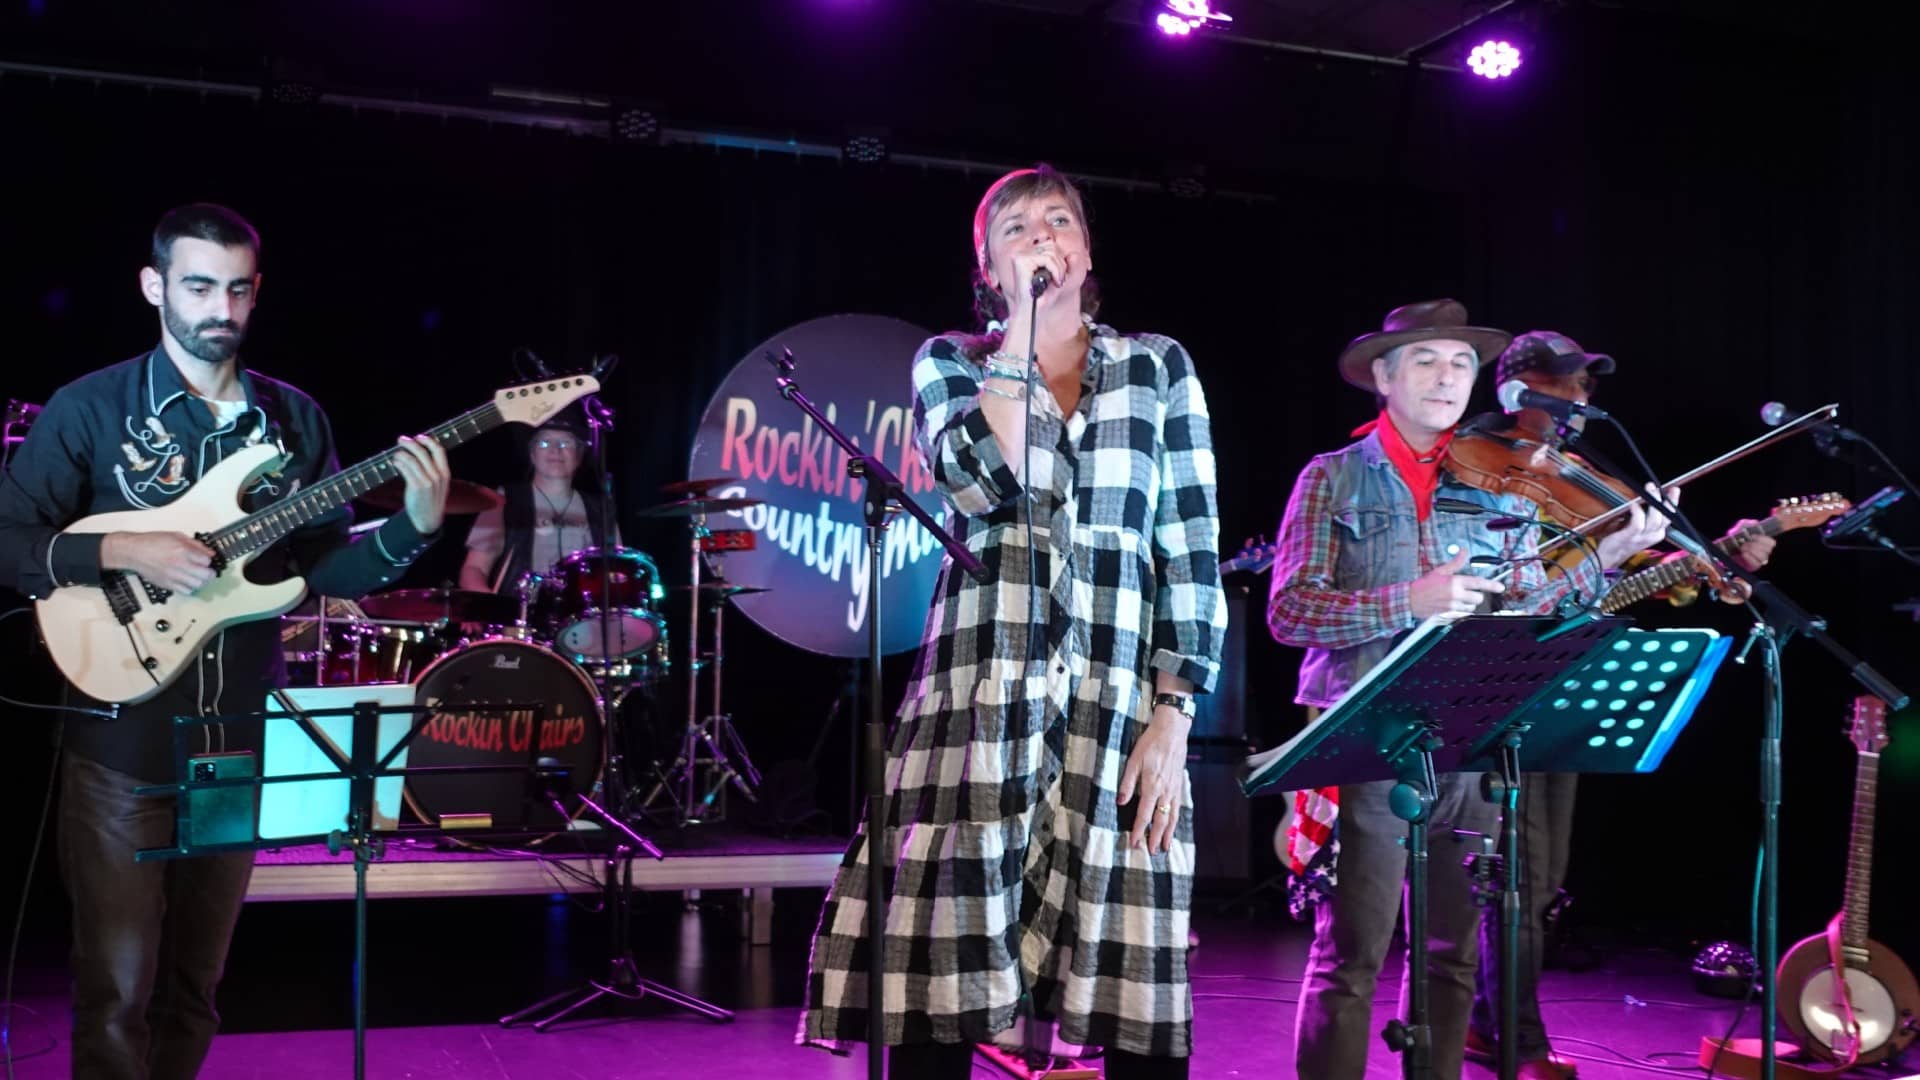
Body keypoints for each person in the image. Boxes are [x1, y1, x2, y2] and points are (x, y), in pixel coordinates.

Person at [0, 203, 450, 1078]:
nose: (221, 310)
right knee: (115, 994)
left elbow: (326, 569)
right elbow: (7, 537)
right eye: (200, 286)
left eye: (238, 290)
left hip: (235, 743)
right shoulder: (89, 408)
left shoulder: (293, 419)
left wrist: (413, 528)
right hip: (118, 739)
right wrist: (119, 548)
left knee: (196, 990)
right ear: (153, 286)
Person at [798, 165, 1226, 1079]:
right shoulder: (950, 360)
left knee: (1129, 968)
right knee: (941, 970)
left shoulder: (1159, 366)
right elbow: (982, 482)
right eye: (1017, 229)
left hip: (1116, 700)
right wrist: (1020, 339)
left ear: (1086, 248)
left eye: (1058, 220)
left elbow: (1189, 545)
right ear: (988, 267)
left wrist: (1175, 712)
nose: (1041, 237)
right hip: (980, 691)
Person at [1267, 300, 1673, 1080]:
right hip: (1366, 741)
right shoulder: (1332, 476)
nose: (1448, 377)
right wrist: (1405, 602)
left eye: (1460, 363)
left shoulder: (1503, 482)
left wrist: (1613, 550)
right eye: (1426, 360)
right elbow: (1289, 611)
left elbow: (1536, 610)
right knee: (1350, 957)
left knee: (1450, 961)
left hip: (1469, 740)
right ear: (1383, 377)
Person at [1464, 330, 1775, 1078]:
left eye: (1585, 387)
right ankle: (1506, 1033)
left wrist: (1716, 560)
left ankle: (1494, 1024)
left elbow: (1633, 579)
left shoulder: (1583, 479)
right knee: (1506, 873)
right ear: (1515, 388)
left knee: (1537, 878)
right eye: (1562, 384)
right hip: (1487, 682)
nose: (1578, 399)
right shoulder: (1474, 463)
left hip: (1558, 683)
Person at [458, 404, 616, 595]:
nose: (555, 450)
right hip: (520, 617)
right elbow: (475, 569)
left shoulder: (601, 509)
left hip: (581, 618)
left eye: (566, 443)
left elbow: (617, 574)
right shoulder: (505, 500)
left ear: (579, 455)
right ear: (532, 454)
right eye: (544, 443)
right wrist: (488, 606)